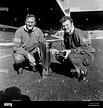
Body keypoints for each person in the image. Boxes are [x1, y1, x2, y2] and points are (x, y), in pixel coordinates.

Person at [52, 16, 95, 81]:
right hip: (76, 54)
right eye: (63, 26)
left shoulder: (78, 33)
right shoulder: (66, 34)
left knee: (70, 55)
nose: (65, 27)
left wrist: (70, 51)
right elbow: (66, 48)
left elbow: (85, 48)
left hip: (87, 56)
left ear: (72, 24)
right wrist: (59, 51)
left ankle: (83, 71)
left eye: (67, 25)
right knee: (59, 56)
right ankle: (74, 70)